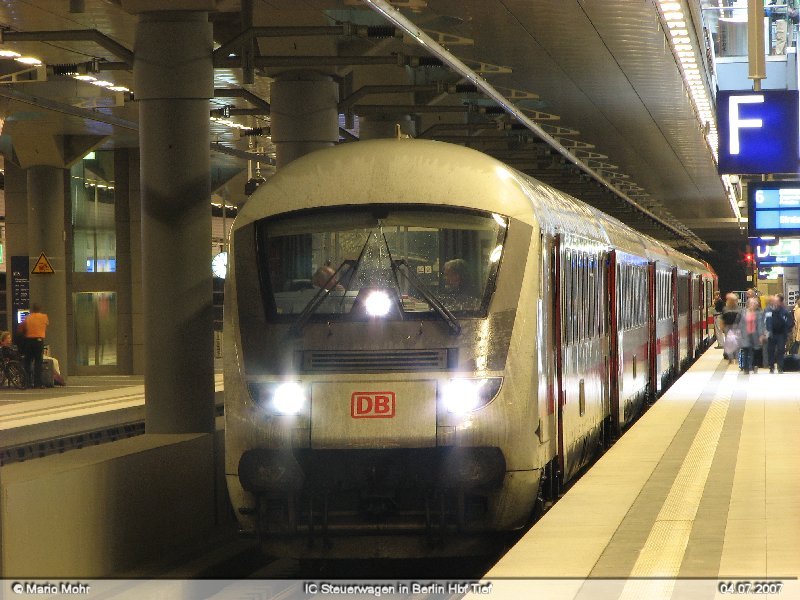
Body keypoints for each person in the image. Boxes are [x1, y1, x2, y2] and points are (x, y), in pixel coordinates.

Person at [18, 303, 49, 388]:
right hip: (39, 341)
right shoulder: (44, 317)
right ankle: (37, 383)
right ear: (40, 309)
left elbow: (20, 328)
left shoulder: (28, 317)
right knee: (38, 362)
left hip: (29, 341)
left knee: (27, 361)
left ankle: (27, 382)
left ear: (32, 309)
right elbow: (46, 325)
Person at [766, 293, 793, 373]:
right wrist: (766, 331)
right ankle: (771, 366)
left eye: (777, 301)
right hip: (771, 333)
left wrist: (787, 330)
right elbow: (766, 321)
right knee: (770, 350)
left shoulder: (785, 311)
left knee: (781, 350)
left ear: (780, 302)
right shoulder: (768, 310)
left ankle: (780, 367)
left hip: (781, 334)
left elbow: (790, 322)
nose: (775, 302)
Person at [739, 298, 766, 374]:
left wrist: (761, 335)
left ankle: (753, 366)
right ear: (748, 304)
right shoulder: (743, 312)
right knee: (746, 351)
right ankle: (746, 368)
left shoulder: (759, 313)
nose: (753, 305)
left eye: (754, 303)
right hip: (745, 335)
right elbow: (741, 324)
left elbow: (760, 324)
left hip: (755, 335)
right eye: (752, 303)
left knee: (754, 351)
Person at [720, 293, 741, 361]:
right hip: (728, 327)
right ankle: (728, 355)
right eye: (730, 300)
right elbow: (722, 319)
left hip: (737, 327)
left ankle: (735, 355)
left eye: (733, 300)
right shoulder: (725, 309)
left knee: (736, 341)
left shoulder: (739, 309)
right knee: (728, 341)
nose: (731, 301)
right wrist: (722, 327)